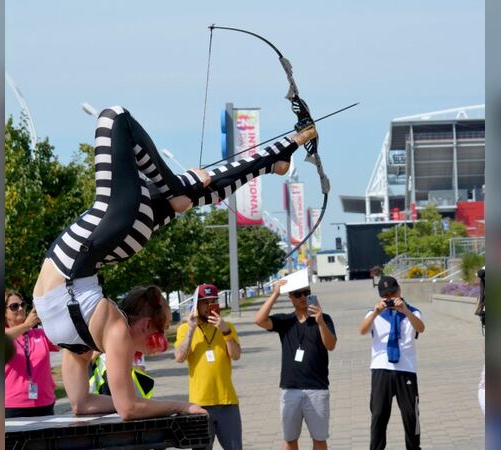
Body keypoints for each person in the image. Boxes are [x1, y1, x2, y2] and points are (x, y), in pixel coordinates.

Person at [32, 106, 316, 418]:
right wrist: (174, 405)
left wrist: (171, 405)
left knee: (119, 121)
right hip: (109, 238)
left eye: (156, 339)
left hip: (109, 233)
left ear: (144, 324)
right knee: (184, 184)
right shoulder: (94, 335)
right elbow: (119, 405)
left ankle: (277, 156)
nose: (152, 349)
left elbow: (89, 405)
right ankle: (190, 185)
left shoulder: (109, 333)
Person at [254, 278, 337, 450]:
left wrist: (320, 322)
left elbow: (331, 345)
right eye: (298, 294)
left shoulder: (324, 319)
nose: (303, 297)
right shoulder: (285, 321)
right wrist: (275, 294)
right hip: (290, 389)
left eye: (306, 293)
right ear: (290, 297)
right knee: (290, 440)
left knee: (319, 439)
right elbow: (259, 320)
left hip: (317, 388)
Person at [357, 275, 426, 450]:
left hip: (406, 368)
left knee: (411, 415)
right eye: (385, 295)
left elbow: (421, 328)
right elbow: (362, 330)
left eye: (393, 293)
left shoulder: (413, 311)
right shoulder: (374, 314)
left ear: (399, 291)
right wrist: (375, 313)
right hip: (381, 368)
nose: (390, 298)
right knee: (379, 415)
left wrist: (405, 311)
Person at [174, 284, 243, 450]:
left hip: (227, 401)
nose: (209, 306)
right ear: (196, 304)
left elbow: (235, 355)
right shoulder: (185, 328)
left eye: (213, 301)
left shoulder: (227, 327)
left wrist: (225, 332)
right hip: (200, 404)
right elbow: (180, 357)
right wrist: (191, 329)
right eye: (205, 302)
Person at [5, 290, 60, 418]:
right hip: (13, 406)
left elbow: (63, 341)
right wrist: (27, 325)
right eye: (14, 306)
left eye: (22, 305)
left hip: (45, 403)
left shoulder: (39, 334)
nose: (20, 309)